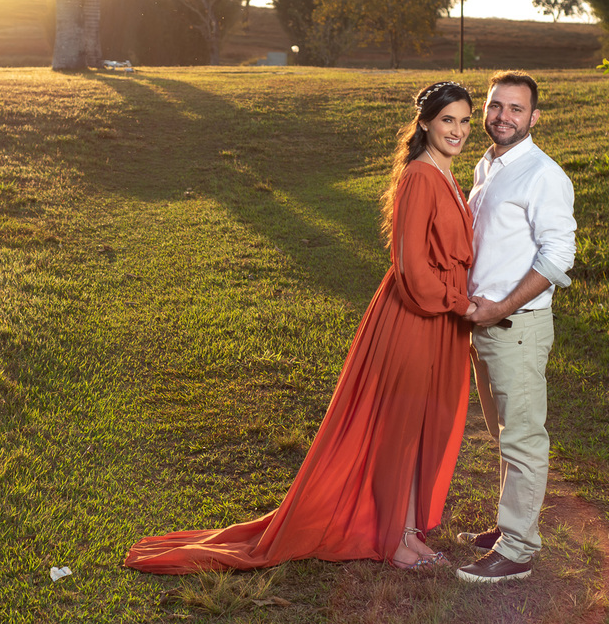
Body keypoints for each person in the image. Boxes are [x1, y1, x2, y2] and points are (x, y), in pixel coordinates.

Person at [124, 82, 478, 574]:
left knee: (423, 429)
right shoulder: (420, 176)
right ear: (424, 124)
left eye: (464, 121)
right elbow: (411, 268)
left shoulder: (448, 174)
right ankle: (393, 540)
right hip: (417, 318)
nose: (458, 130)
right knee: (400, 431)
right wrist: (462, 303)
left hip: (442, 322)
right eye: (448, 121)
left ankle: (407, 531)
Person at [455, 71, 577, 583]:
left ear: (534, 117)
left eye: (516, 109)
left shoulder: (543, 175)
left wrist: (499, 307)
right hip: (483, 326)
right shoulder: (489, 164)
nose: (503, 117)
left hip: (516, 327)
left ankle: (519, 550)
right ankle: (509, 528)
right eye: (496, 106)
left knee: (523, 438)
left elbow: (559, 258)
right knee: (505, 435)